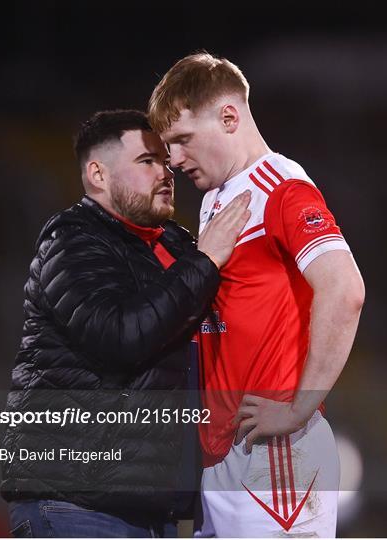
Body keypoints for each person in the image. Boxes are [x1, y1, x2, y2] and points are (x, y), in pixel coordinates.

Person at [0, 109, 251, 538]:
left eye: (166, 161)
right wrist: (205, 260)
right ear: (97, 173)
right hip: (77, 506)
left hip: (154, 514)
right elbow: (120, 335)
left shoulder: (175, 245)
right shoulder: (72, 240)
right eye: (147, 161)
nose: (165, 171)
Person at [148, 53, 365, 538]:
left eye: (182, 140)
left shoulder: (281, 187)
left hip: (275, 453)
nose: (175, 160)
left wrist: (298, 409)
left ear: (229, 117)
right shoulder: (214, 200)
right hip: (226, 452)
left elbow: (345, 289)